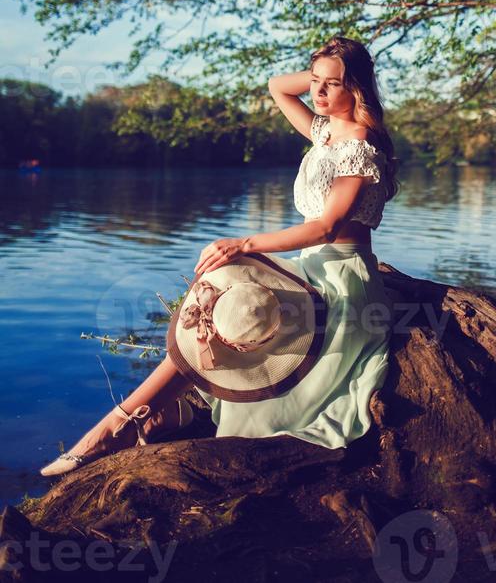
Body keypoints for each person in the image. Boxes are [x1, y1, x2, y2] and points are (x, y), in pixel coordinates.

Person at [40, 35, 398, 476]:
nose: (318, 94)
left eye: (332, 85)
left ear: (356, 89)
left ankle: (119, 426)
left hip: (343, 282)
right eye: (316, 83)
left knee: (237, 287)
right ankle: (134, 419)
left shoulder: (359, 143)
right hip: (312, 267)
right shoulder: (324, 132)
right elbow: (276, 86)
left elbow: (325, 227)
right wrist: (324, 70)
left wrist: (245, 242)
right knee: (221, 298)